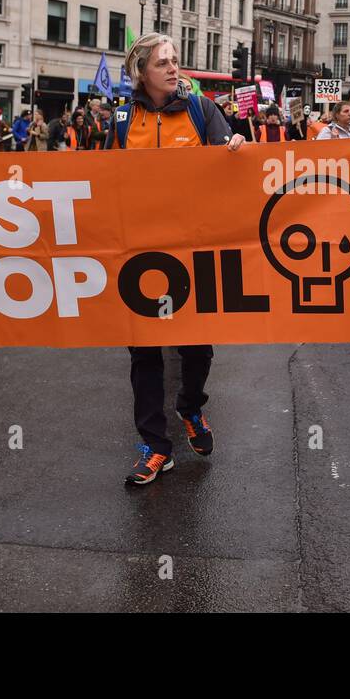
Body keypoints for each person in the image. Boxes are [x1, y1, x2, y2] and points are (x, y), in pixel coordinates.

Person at [104, 32, 245, 485]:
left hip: (193, 246)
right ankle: (155, 446)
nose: (173, 68)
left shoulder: (202, 111)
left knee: (196, 344)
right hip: (141, 250)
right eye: (162, 62)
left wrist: (237, 148)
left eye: (175, 61)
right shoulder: (123, 118)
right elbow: (102, 178)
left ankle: (190, 407)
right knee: (143, 350)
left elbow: (232, 161)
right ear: (141, 71)